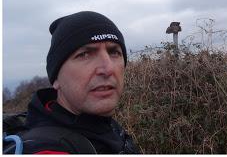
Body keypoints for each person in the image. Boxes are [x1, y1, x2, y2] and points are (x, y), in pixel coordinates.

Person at [7, 11, 139, 154]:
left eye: (114, 52)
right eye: (84, 54)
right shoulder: (44, 150)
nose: (108, 69)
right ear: (56, 78)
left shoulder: (105, 126)